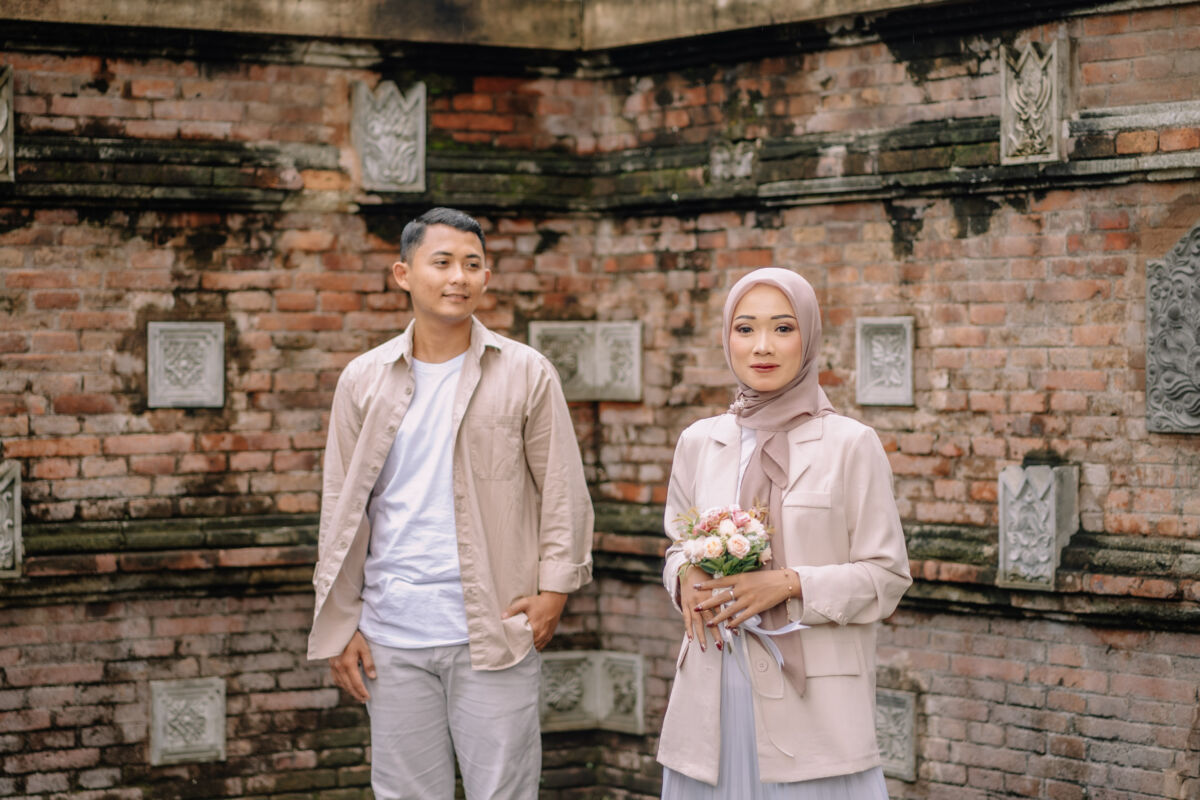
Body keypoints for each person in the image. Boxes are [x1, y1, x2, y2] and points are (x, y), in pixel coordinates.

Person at [307, 207, 594, 800]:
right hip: (390, 634)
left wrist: (555, 592)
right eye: (441, 262)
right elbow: (340, 507)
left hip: (494, 629)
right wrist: (339, 622)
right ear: (403, 274)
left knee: (504, 792)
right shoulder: (363, 379)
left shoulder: (526, 372)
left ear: (486, 276)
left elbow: (563, 488)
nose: (458, 277)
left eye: (472, 264)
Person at [656, 267, 912, 798]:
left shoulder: (850, 445)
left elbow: (886, 577)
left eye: (783, 328)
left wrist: (790, 583)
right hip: (713, 684)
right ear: (727, 338)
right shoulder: (699, 442)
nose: (762, 346)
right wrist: (683, 573)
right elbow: (677, 544)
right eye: (745, 328)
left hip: (814, 700)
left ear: (809, 336)